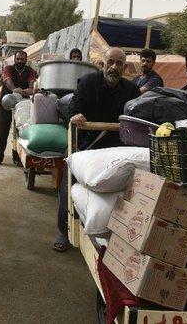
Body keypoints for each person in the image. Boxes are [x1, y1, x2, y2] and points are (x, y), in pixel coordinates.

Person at [53, 47, 141, 252]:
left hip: (114, 149)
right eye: (110, 62)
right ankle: (64, 231)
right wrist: (75, 116)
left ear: (125, 67)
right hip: (84, 144)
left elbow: (138, 115)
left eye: (119, 63)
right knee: (69, 184)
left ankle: (110, 233)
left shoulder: (132, 91)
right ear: (103, 64)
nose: (114, 67)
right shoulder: (87, 83)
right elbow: (74, 106)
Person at [0, 50, 37, 167]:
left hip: (22, 107)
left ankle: (17, 158)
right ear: (14, 59)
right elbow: (8, 81)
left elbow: (32, 85)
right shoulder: (8, 69)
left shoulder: (31, 71)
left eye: (22, 59)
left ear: (26, 60)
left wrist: (26, 91)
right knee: (3, 132)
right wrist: (16, 89)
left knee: (19, 133)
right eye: (18, 59)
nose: (20, 61)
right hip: (5, 105)